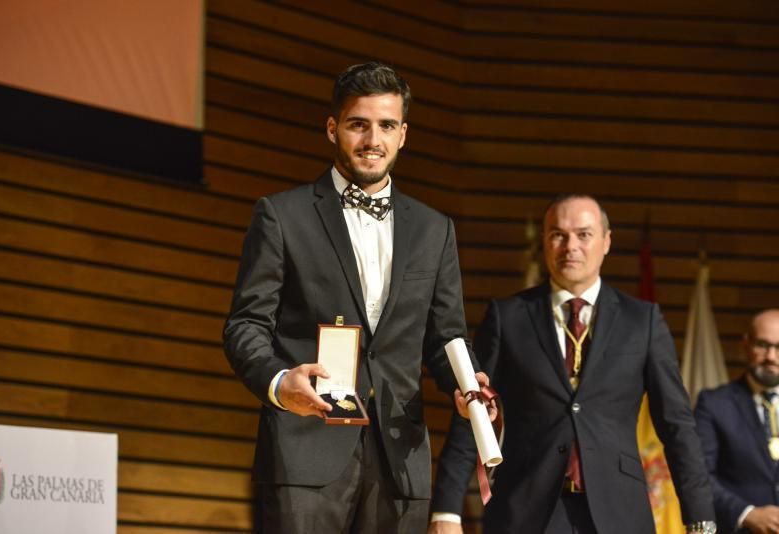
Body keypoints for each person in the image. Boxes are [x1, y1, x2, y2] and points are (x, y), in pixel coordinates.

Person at [223, 62, 478, 533]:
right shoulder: (282, 215)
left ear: (403, 134)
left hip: (400, 458)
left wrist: (465, 386)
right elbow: (245, 326)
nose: (371, 140)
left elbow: (446, 336)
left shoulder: (434, 230)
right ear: (332, 128)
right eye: (358, 124)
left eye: (385, 126)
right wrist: (280, 383)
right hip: (304, 452)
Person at [430, 194, 716, 534]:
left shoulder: (643, 321)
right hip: (525, 510)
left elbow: (676, 424)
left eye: (584, 234)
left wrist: (701, 519)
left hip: (620, 512)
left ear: (607, 242)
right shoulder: (508, 317)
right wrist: (446, 511)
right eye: (558, 235)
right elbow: (473, 413)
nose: (571, 246)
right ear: (545, 242)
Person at [695, 309, 779, 534]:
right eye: (763, 345)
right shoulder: (713, 403)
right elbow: (699, 476)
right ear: (746, 344)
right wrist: (748, 513)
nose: (771, 356)